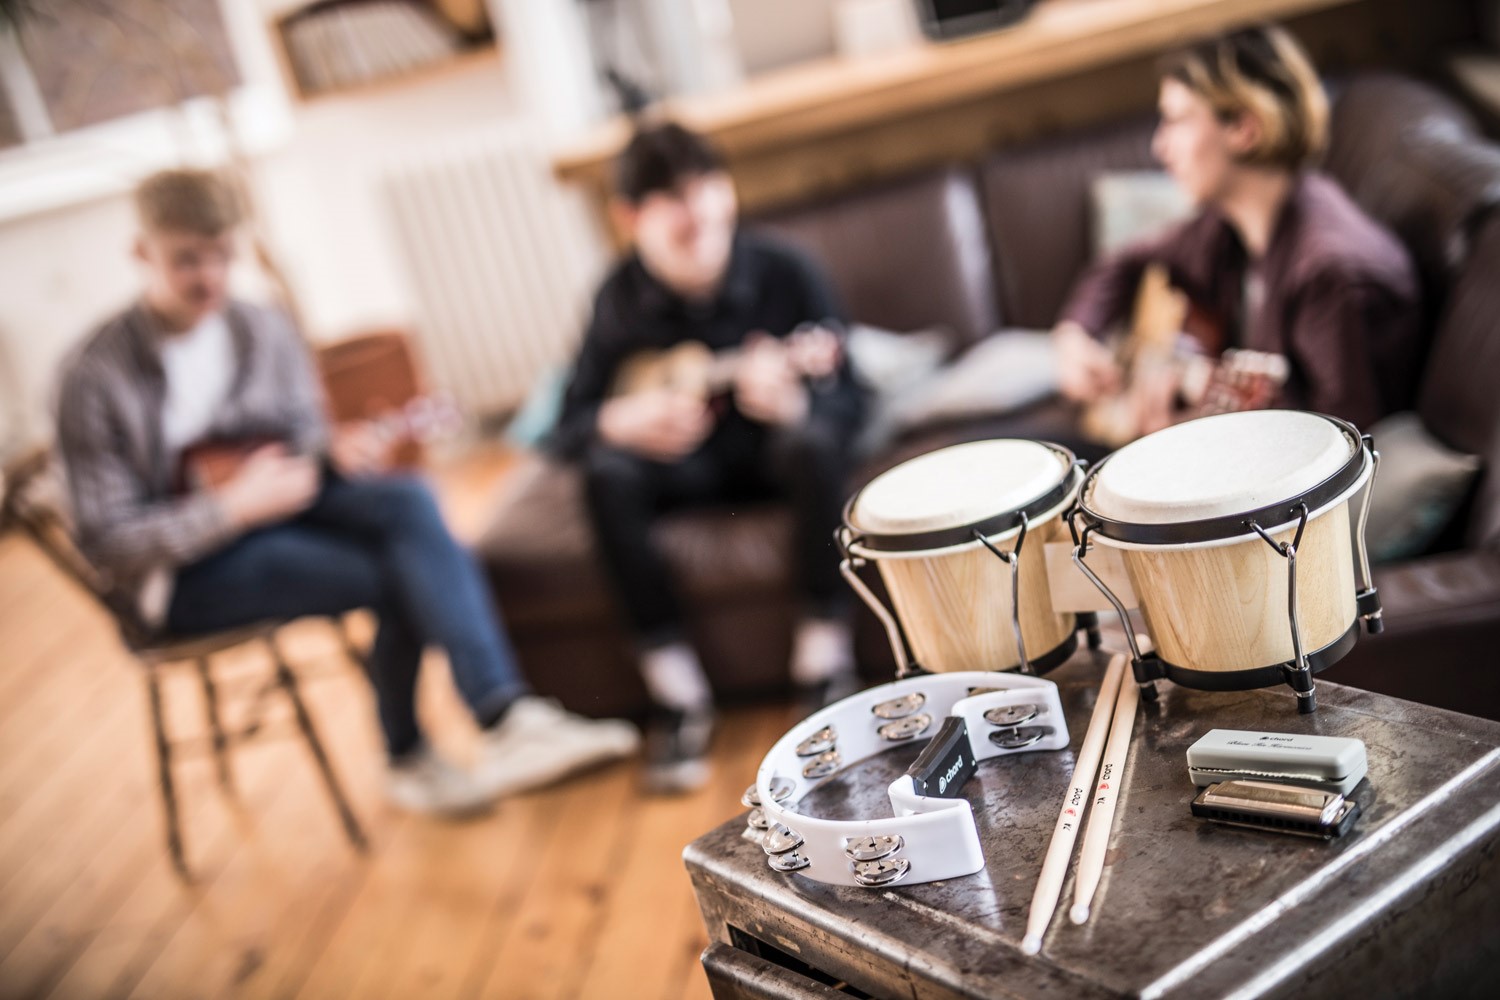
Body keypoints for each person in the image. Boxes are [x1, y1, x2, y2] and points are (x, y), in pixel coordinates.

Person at [55, 169, 638, 817]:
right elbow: (105, 542)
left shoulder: (263, 328)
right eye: (187, 260)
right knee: (400, 571)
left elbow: (304, 439)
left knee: (409, 501)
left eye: (223, 256)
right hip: (180, 573)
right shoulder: (92, 377)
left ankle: (503, 721)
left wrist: (334, 455)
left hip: (279, 512)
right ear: (143, 253)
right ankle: (422, 747)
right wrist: (230, 507)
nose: (210, 278)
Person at [550, 122, 867, 793]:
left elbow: (854, 397)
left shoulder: (787, 271)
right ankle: (676, 693)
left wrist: (800, 408)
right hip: (683, 472)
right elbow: (567, 426)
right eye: (671, 201)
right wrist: (619, 419)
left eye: (703, 190)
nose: (696, 212)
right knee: (604, 474)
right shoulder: (618, 298)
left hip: (771, 458)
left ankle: (823, 662)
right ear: (629, 218)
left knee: (812, 444)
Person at [1054, 23, 1421, 437]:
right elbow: (1126, 259)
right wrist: (1074, 336)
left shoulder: (1328, 274)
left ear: (1245, 129)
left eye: (1178, 120)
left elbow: (1339, 452)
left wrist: (1181, 442)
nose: (1160, 146)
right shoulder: (1230, 224)